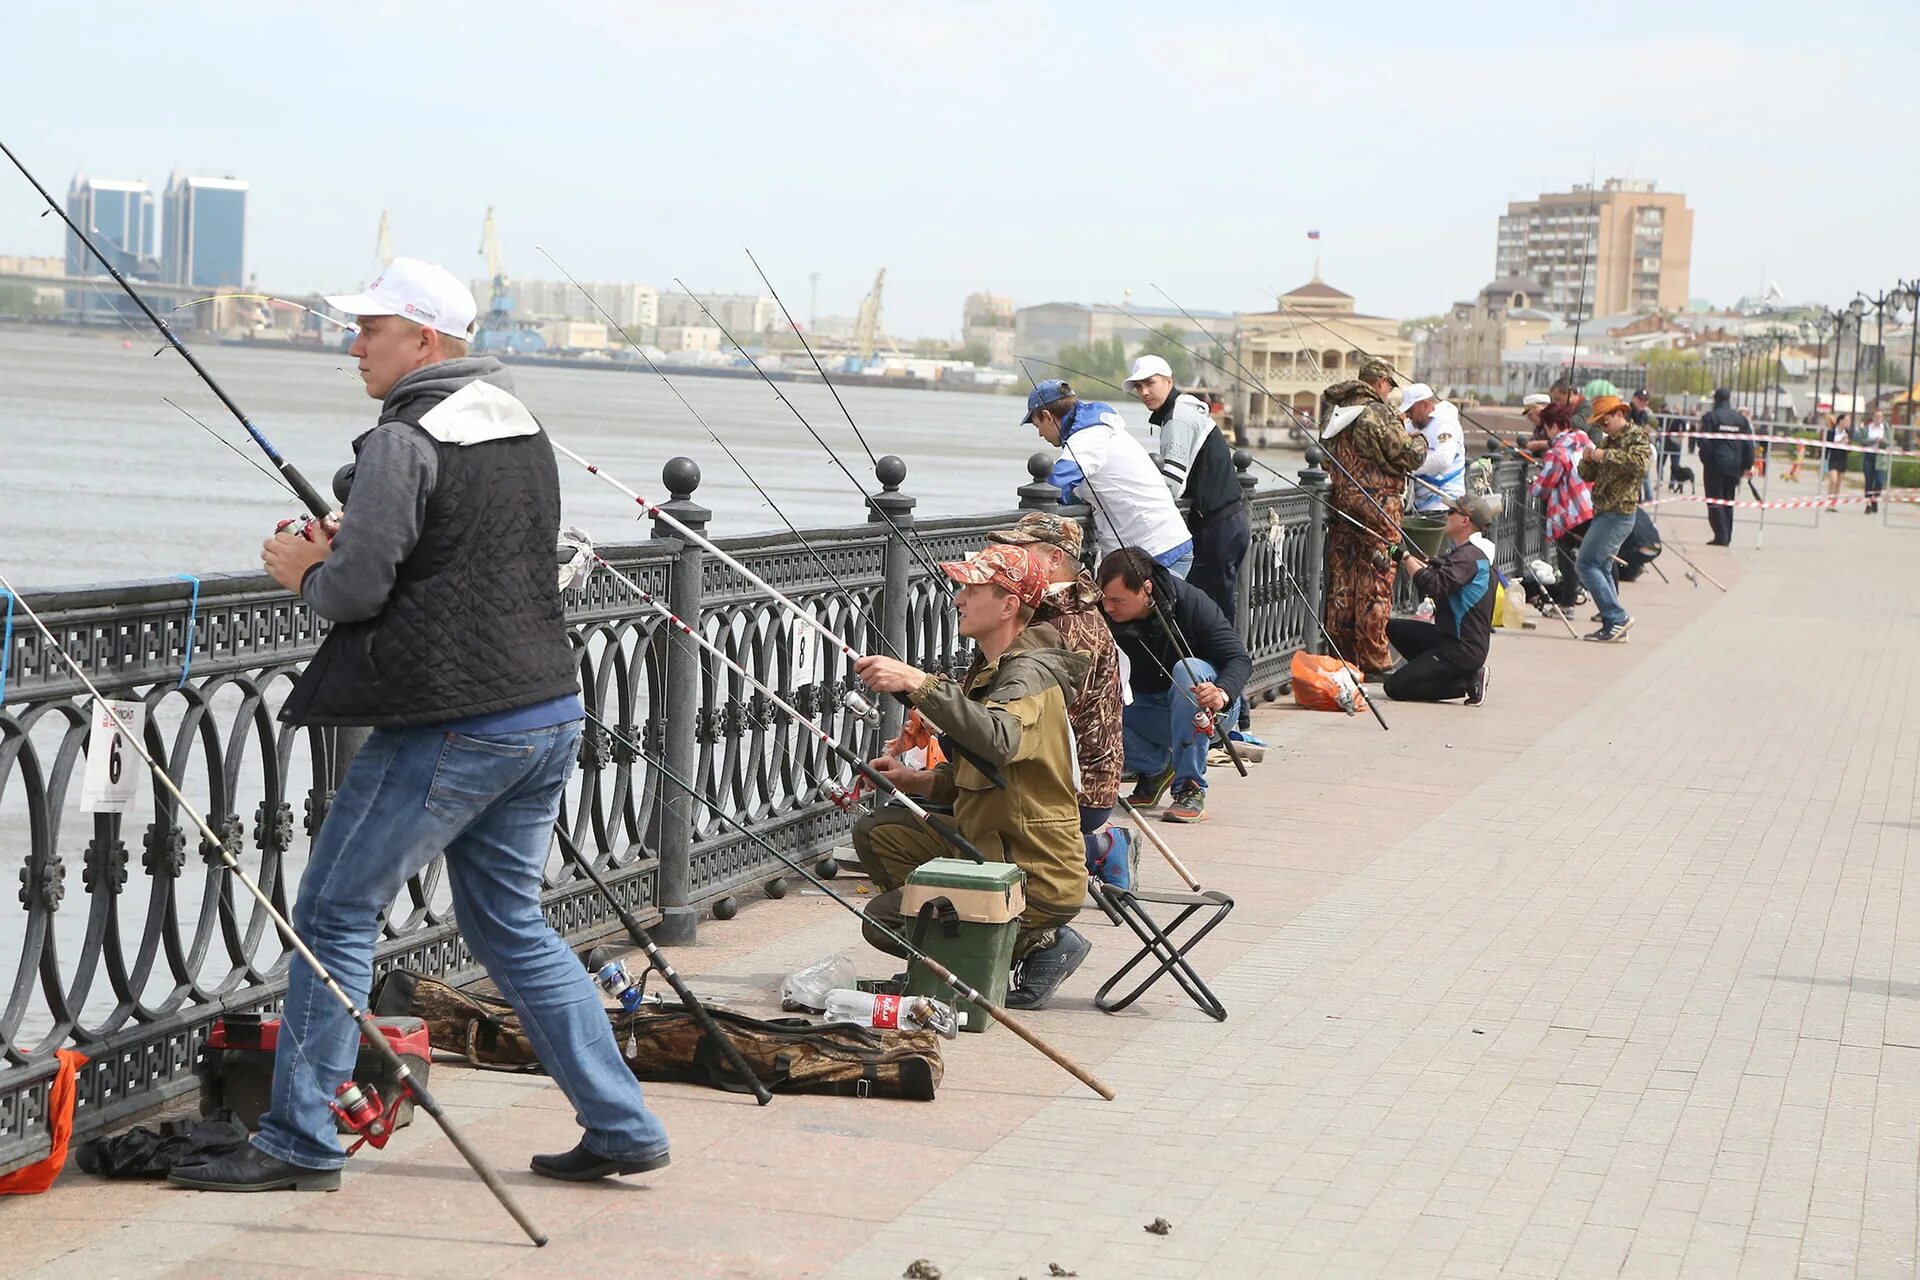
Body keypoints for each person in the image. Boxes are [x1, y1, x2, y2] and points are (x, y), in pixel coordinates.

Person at [172, 259, 671, 1193]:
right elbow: (463, 558)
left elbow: (359, 590)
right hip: (546, 711)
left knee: (329, 913)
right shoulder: (521, 422)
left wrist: (304, 572)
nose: (354, 345)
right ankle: (622, 1122)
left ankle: (300, 1140)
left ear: (425, 342)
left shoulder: (402, 440)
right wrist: (355, 542)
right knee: (510, 922)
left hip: (455, 724)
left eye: (370, 330)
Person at [850, 543, 1092, 1011]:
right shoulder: (996, 668)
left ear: (1008, 605)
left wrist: (918, 682)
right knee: (882, 834)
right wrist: (917, 781)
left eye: (972, 589)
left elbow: (1000, 740)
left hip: (1033, 869)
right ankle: (959, 947)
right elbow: (988, 768)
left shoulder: (1026, 675)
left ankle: (1019, 946)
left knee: (883, 919)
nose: (958, 598)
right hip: (990, 847)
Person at [987, 512, 1131, 890]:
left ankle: (1096, 846)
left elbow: (1040, 724)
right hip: (1061, 773)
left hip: (1077, 787)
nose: (1008, 557)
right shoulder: (1052, 608)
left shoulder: (1068, 624)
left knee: (965, 811)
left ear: (1054, 559)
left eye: (1020, 550)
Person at [1098, 546, 1252, 825]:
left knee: (1187, 669)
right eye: (1105, 599)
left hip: (1209, 710)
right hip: (1151, 707)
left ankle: (1190, 788)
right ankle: (1156, 768)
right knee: (1088, 703)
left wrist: (1221, 693)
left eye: (1117, 600)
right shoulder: (1103, 613)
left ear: (1146, 589)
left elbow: (1239, 659)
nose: (1108, 608)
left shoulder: (1191, 602)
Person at [1318, 358, 1427, 677]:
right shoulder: (1377, 412)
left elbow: (1325, 459)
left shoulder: (1334, 412)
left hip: (1342, 503)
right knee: (1376, 578)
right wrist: (1419, 437)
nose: (1389, 392)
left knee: (1343, 578)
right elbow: (1409, 455)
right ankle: (1374, 658)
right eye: (1390, 386)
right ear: (1380, 382)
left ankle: (1341, 652)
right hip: (1378, 505)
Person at [1124, 355, 1249, 621]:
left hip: (1216, 526)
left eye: (1150, 383)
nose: (1144, 392)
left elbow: (1172, 485)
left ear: (1169, 381)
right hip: (1230, 521)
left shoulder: (1177, 419)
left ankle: (1223, 662)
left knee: (1211, 612)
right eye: (1138, 386)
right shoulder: (1186, 409)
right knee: (1220, 606)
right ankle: (1227, 659)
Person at [1025, 378, 1192, 573]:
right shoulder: (1098, 430)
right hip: (1161, 546)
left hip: (1156, 553)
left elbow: (1055, 486)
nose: (1040, 435)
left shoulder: (1088, 438)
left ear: (1047, 416)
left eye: (1038, 426)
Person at [1384, 497, 1498, 705]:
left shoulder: (1469, 557)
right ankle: (1431, 673)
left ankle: (1467, 682)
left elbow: (1433, 585)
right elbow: (1441, 573)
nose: (1447, 515)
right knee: (1393, 627)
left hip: (1461, 649)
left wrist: (1406, 558)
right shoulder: (1468, 553)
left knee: (1394, 687)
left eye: (1451, 512)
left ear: (1465, 521)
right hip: (1448, 637)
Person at [1575, 394, 1654, 642]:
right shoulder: (1609, 441)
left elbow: (1639, 465)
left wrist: (1602, 455)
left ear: (1620, 415)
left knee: (1586, 564)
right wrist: (1587, 459)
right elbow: (1587, 475)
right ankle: (1613, 623)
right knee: (1602, 566)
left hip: (1619, 513)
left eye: (1605, 422)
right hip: (1604, 510)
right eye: (1598, 425)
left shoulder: (1637, 437)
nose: (1602, 428)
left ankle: (1617, 616)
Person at [1526, 402, 1594, 614]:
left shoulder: (1558, 452)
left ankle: (1567, 603)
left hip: (1572, 513)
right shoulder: (1584, 441)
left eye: (1547, 428)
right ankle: (1607, 604)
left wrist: (1532, 485)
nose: (1546, 433)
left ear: (1554, 426)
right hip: (1592, 504)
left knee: (1566, 555)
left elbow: (1543, 488)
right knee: (1600, 556)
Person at [1694, 387, 1755, 546]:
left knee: (1715, 499)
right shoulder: (1741, 420)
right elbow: (1749, 444)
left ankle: (1721, 535)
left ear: (1716, 400)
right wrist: (1746, 465)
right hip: (1734, 466)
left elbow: (1703, 441)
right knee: (1728, 500)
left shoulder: (1711, 417)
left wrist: (1706, 459)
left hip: (1715, 465)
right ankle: (1726, 534)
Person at [1399, 383, 1466, 514]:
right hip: (1418, 506)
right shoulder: (1410, 426)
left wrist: (1407, 466)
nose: (1407, 415)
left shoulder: (1445, 424)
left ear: (1425, 404)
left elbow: (1443, 459)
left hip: (1445, 506)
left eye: (1410, 410)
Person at [1856, 409, 1888, 514]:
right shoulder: (1867, 429)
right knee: (1869, 481)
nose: (1879, 419)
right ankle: (1868, 503)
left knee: (1879, 481)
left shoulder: (1886, 429)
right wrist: (1874, 440)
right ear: (1873, 418)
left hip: (1881, 458)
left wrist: (1882, 441)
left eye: (1881, 417)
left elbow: (1889, 441)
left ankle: (1874, 498)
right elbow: (1862, 441)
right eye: (1877, 416)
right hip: (1869, 456)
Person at [1823, 412, 1852, 510]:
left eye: (1849, 421)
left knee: (1839, 482)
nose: (1848, 423)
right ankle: (1829, 500)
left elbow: (1850, 448)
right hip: (1833, 457)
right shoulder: (1832, 432)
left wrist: (1848, 444)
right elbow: (1828, 445)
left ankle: (1834, 503)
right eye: (1846, 420)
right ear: (1840, 421)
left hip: (1843, 458)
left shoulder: (1848, 433)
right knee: (1833, 480)